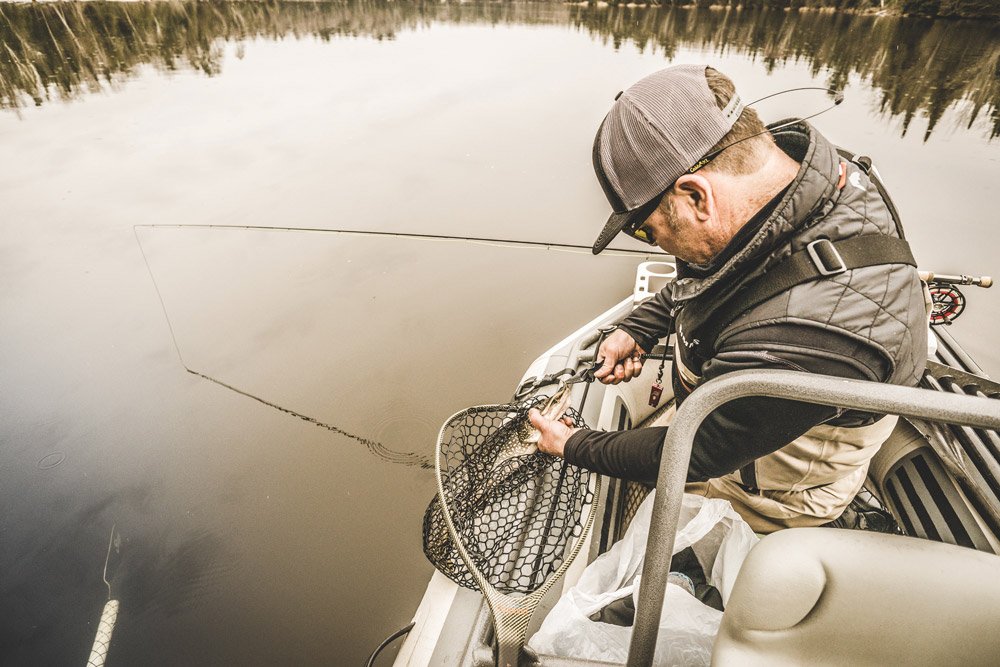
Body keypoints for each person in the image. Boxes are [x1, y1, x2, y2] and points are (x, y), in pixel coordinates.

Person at [528, 64, 928, 533]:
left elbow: (695, 452)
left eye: (647, 230)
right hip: (752, 412)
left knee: (679, 529)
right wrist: (640, 326)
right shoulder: (795, 184)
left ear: (697, 196)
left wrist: (572, 444)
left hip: (778, 487)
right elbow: (723, 275)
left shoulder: (803, 341)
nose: (654, 244)